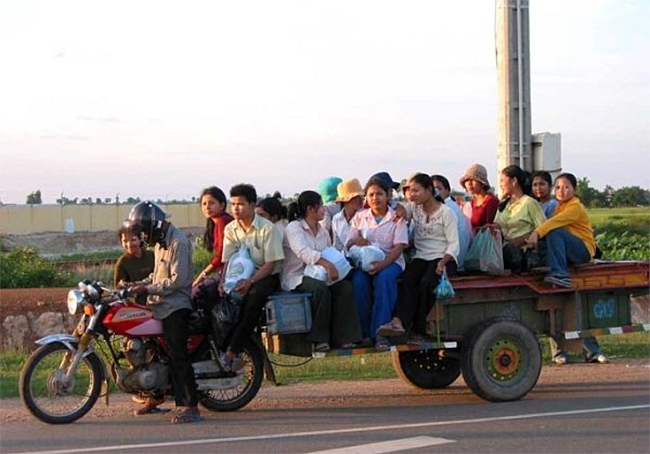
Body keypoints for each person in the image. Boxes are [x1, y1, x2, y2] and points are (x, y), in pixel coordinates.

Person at [127, 201, 202, 424]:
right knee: (152, 351)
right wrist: (134, 285)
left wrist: (147, 289)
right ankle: (154, 396)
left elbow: (179, 280)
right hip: (159, 303)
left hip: (175, 305)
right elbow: (157, 276)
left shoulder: (178, 241)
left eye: (144, 231)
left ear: (154, 225)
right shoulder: (161, 243)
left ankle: (191, 406)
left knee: (177, 354)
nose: (142, 237)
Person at [526, 173, 607, 364]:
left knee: (554, 231)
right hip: (568, 252)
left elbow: (553, 224)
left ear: (574, 190)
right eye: (559, 187)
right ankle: (569, 352)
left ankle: (560, 273)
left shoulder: (574, 207)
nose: (561, 191)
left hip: (583, 251)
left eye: (566, 187)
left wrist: (536, 233)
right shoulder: (559, 206)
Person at [377, 173, 459, 343]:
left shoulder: (446, 212)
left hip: (444, 258)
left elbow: (454, 244)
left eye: (416, 190)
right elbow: (402, 210)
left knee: (427, 283)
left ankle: (419, 329)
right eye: (409, 191)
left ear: (429, 190)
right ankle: (398, 321)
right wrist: (400, 210)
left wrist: (443, 262)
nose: (411, 194)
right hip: (422, 257)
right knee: (407, 279)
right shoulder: (415, 208)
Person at [281, 190, 362, 351]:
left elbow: (330, 251)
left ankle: (344, 338)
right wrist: (328, 265)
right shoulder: (294, 227)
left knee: (345, 288)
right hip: (297, 277)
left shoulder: (322, 230)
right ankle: (319, 339)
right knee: (320, 290)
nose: (324, 210)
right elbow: (303, 253)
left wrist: (339, 266)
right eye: (321, 207)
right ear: (311, 209)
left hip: (321, 274)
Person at [220, 184, 285, 367]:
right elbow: (228, 260)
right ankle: (214, 347)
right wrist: (222, 281)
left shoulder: (267, 228)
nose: (235, 208)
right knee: (214, 298)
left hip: (265, 276)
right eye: (233, 204)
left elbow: (270, 264)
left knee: (253, 298)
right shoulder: (231, 229)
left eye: (240, 204)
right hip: (238, 276)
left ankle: (233, 350)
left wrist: (251, 281)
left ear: (252, 204)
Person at [346, 177, 408, 349]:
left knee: (384, 279)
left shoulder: (396, 217)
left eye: (379, 194)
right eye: (371, 194)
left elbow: (399, 247)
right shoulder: (360, 217)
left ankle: (380, 334)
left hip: (391, 262)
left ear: (388, 196)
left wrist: (382, 265)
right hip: (365, 264)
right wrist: (356, 241)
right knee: (358, 282)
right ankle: (364, 334)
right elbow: (349, 243)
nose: (375, 198)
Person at [494, 165, 546, 272]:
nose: (501, 185)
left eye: (503, 181)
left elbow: (543, 229)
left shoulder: (529, 203)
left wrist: (522, 240)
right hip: (505, 253)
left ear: (514, 181)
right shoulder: (504, 205)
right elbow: (497, 225)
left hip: (523, 255)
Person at [193, 186, 233, 288]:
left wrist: (202, 275)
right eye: (204, 204)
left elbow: (221, 255)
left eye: (212, 203)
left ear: (222, 205)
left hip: (230, 271)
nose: (207, 207)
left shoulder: (222, 221)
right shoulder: (216, 222)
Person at [431, 174, 472, 270]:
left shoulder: (448, 208)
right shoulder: (446, 206)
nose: (435, 193)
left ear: (448, 191)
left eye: (439, 189)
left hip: (451, 260)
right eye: (433, 190)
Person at [114, 222, 155, 305]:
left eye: (133, 240)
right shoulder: (122, 263)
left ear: (140, 239)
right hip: (137, 306)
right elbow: (118, 288)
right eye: (125, 241)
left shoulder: (151, 256)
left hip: (157, 301)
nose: (129, 244)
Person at [459, 163, 499, 234]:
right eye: (467, 180)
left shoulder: (491, 201)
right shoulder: (472, 203)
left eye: (473, 180)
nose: (469, 183)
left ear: (482, 183)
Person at [331, 178, 365, 253]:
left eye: (361, 196)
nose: (360, 200)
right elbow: (337, 245)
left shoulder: (365, 216)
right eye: (355, 198)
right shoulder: (336, 219)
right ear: (345, 201)